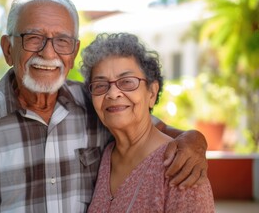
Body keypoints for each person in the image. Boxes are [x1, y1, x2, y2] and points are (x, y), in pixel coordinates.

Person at [0, 0, 208, 212]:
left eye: (62, 41)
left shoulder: (96, 101)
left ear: (74, 52)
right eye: (33, 38)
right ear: (8, 49)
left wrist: (195, 140)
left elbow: (156, 131)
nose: (48, 53)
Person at [81, 32, 215, 212]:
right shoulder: (106, 155)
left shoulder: (181, 165)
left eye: (127, 82)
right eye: (100, 85)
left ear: (151, 93)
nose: (113, 93)